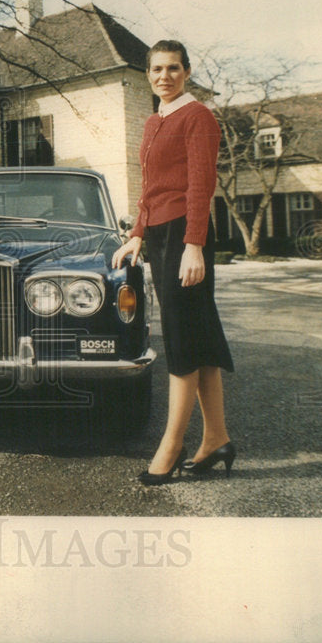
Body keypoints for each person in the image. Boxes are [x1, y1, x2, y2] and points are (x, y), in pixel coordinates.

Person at [112, 40, 235, 486]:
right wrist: (137, 234)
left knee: (183, 341)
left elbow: (201, 185)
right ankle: (216, 438)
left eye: (174, 69)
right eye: (157, 69)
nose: (164, 76)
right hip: (161, 236)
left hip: (187, 234)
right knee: (197, 337)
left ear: (186, 72)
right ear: (148, 74)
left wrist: (194, 245)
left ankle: (172, 444)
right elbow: (150, 187)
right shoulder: (152, 122)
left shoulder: (197, 116)